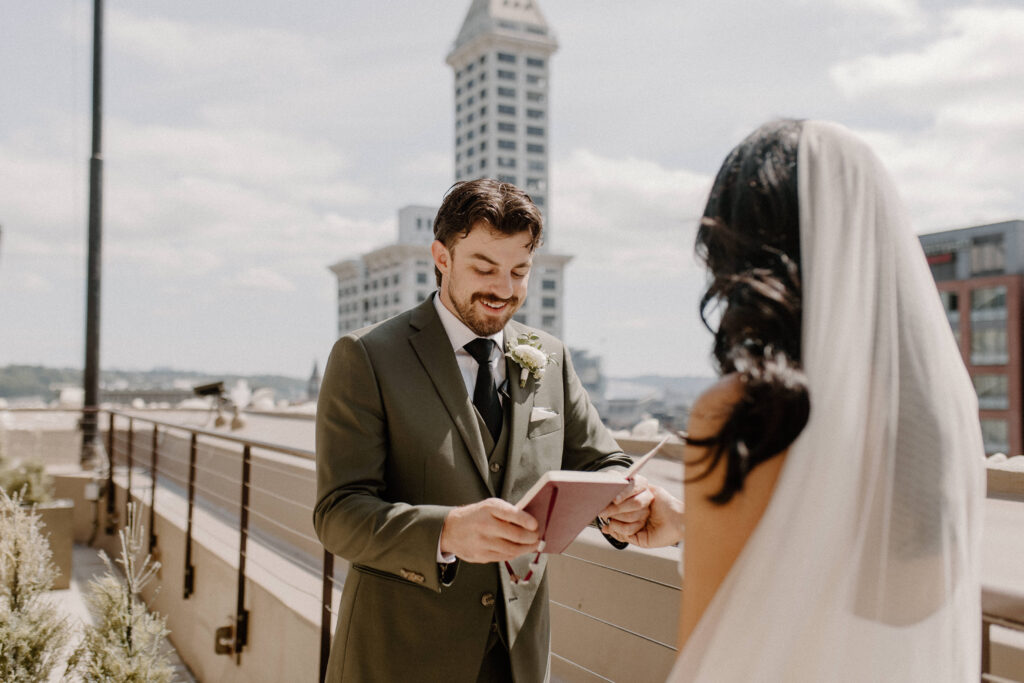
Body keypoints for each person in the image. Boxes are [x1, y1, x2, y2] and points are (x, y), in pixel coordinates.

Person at [604, 119, 985, 681]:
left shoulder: (745, 415)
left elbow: (711, 656)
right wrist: (690, 522)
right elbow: (856, 573)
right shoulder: (936, 414)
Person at [314, 178, 651, 683]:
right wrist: (446, 531)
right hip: (401, 656)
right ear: (442, 258)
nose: (504, 289)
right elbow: (337, 513)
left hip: (518, 656)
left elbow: (603, 462)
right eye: (484, 268)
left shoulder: (551, 356)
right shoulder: (366, 357)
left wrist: (628, 500)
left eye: (520, 271)